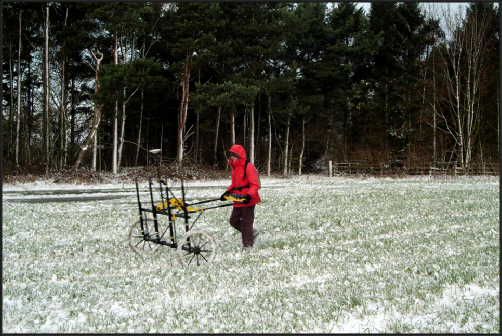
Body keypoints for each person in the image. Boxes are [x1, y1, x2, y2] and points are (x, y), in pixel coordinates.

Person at [220, 144, 261, 248]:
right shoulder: (234, 166)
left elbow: (255, 184)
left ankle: (248, 245)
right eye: (230, 155)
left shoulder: (249, 166)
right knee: (234, 221)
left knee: (246, 223)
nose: (231, 157)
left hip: (248, 199)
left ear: (238, 156)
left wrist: (249, 196)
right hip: (238, 198)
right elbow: (235, 184)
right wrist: (227, 192)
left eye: (233, 155)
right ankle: (252, 232)